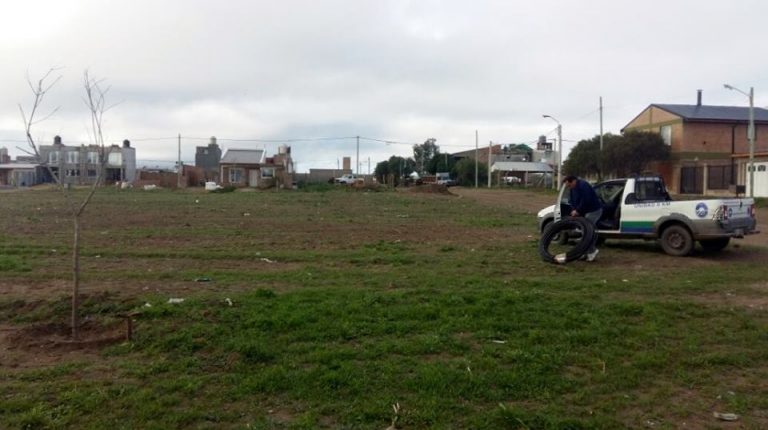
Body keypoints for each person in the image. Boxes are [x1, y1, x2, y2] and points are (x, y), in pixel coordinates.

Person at [563, 175, 603, 261]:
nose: (569, 187)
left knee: (587, 231)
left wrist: (578, 210)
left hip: (594, 210)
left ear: (573, 181)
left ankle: (592, 251)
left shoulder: (583, 185)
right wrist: (573, 210)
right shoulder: (572, 189)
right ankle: (585, 252)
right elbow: (572, 200)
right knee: (584, 231)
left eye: (569, 185)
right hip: (585, 211)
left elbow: (586, 200)